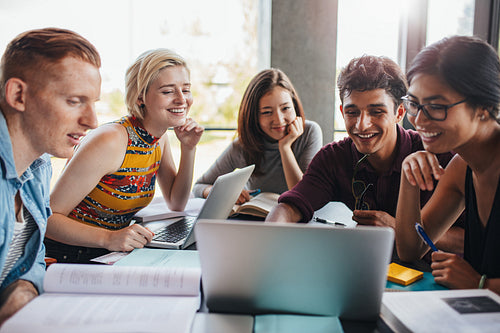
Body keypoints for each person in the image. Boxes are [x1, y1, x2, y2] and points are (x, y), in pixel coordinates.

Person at [266, 55, 463, 254]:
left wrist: (397, 228)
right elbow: (289, 207)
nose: (362, 125)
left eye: (376, 112)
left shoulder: (440, 155)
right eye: (352, 113)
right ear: (342, 112)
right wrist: (268, 242)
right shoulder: (333, 158)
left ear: (400, 113)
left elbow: (469, 241)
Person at [44, 48, 204, 263]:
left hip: (109, 253)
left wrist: (189, 148)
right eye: (167, 92)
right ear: (140, 97)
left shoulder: (158, 137)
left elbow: (177, 202)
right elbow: (48, 219)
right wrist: (110, 238)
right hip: (69, 255)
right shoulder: (110, 140)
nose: (181, 99)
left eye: (185, 90)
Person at [0, 28, 101, 324]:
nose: (92, 121)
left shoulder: (39, 164)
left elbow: (31, 259)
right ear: (18, 95)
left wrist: (25, 288)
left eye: (93, 102)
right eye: (74, 101)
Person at [395, 36, 500, 294]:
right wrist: (408, 179)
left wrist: (480, 285)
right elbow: (410, 249)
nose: (418, 120)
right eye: (414, 104)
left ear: (484, 107)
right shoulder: (461, 168)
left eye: (435, 106)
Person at [192, 68, 322, 204]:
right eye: (267, 112)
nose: (278, 120)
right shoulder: (243, 146)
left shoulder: (310, 132)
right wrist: (226, 194)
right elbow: (199, 187)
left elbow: (303, 195)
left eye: (285, 108)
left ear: (294, 105)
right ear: (254, 116)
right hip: (256, 220)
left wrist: (285, 147)